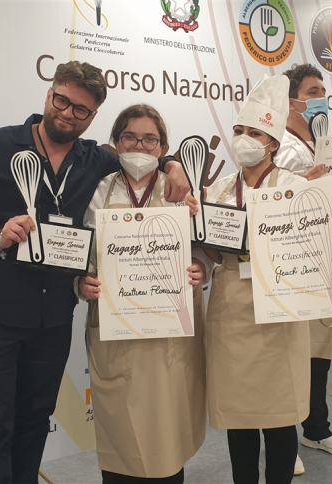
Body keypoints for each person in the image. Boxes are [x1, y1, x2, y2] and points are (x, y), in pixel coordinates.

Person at [0, 61, 190, 483]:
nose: (68, 113)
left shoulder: (96, 161)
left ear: (93, 117)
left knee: (34, 422)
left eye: (81, 110)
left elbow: (142, 152)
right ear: (49, 94)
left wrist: (175, 165)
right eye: (62, 100)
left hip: (51, 319)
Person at [198, 75, 332, 484]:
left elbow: (319, 248)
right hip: (231, 309)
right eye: (239, 131)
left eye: (255, 133)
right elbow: (209, 254)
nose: (245, 139)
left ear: (272, 143)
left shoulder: (297, 188)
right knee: (241, 416)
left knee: (281, 414)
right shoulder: (217, 191)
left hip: (281, 313)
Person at [75, 104, 206, 484]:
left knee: (165, 432)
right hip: (117, 331)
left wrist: (201, 267)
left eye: (150, 138)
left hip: (169, 335)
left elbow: (204, 248)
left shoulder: (180, 190)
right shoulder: (101, 188)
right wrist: (82, 282)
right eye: (130, 136)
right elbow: (84, 253)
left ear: (163, 146)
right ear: (116, 142)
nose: (139, 145)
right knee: (120, 430)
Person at [275, 64, 332, 471]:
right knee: (293, 351)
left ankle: (316, 426)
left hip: (329, 255)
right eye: (313, 91)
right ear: (292, 101)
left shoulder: (326, 144)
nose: (321, 98)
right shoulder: (280, 146)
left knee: (320, 351)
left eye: (324, 90)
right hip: (295, 263)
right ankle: (284, 437)